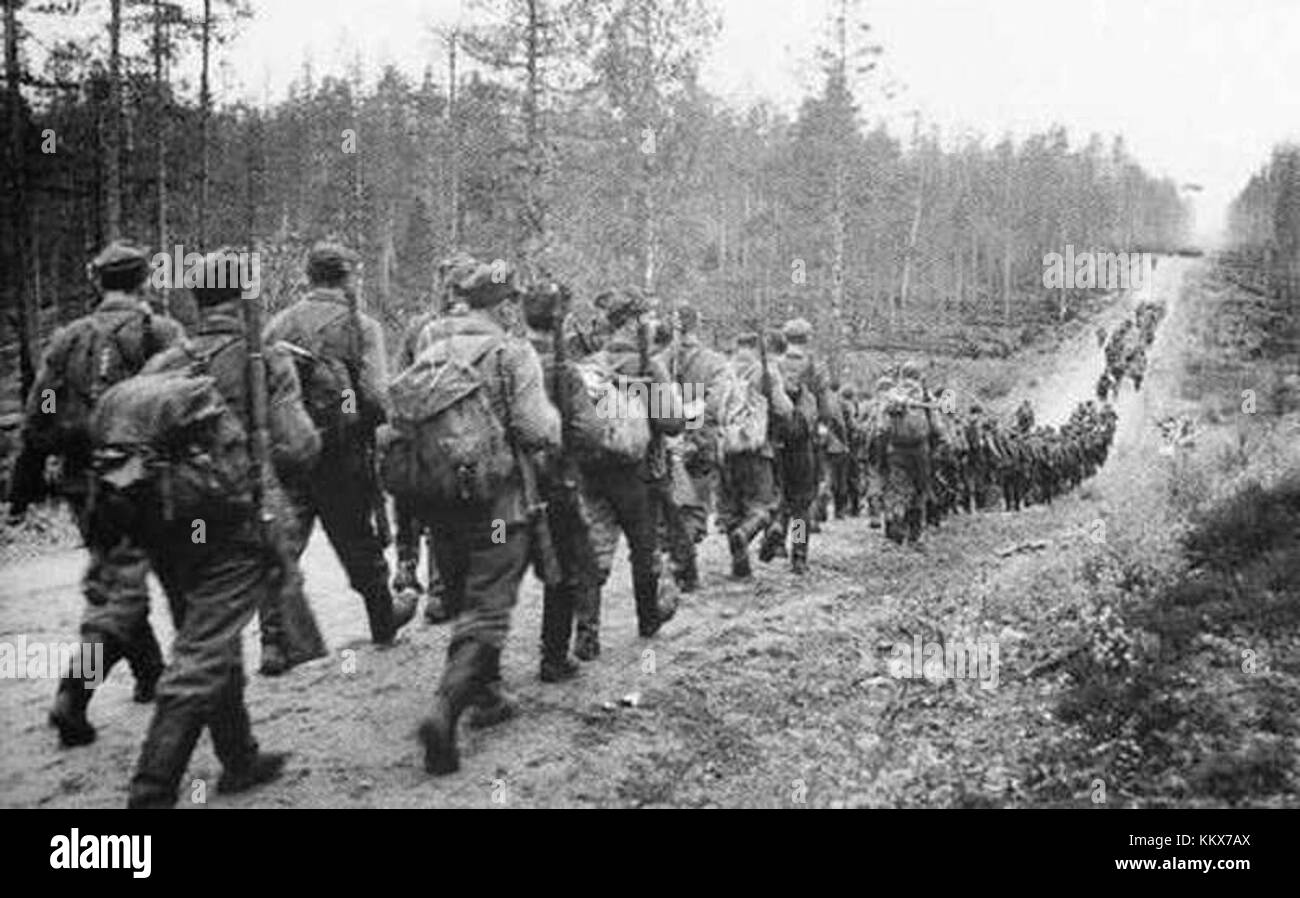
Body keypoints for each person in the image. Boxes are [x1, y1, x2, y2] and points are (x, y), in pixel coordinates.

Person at [127, 249, 321, 807]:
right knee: (204, 650)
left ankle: (239, 757)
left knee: (207, 631)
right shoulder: (263, 360)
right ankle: (150, 791)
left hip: (167, 526)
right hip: (232, 525)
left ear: (198, 300)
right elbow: (299, 445)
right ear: (243, 299)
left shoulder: (167, 361)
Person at [7, 241, 185, 747]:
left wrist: (23, 487)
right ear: (144, 282)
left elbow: (40, 410)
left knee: (117, 581)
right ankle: (74, 695)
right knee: (143, 594)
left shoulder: (67, 341)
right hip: (150, 483)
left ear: (98, 284)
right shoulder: (160, 333)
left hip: (87, 487)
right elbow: (185, 405)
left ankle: (152, 673)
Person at [415, 260, 561, 775]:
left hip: (439, 501)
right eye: (513, 302)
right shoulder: (511, 351)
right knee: (489, 605)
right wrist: (555, 422)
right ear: (503, 306)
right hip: (498, 503)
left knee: (463, 597)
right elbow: (535, 428)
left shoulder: (428, 342)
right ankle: (445, 707)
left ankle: (488, 693)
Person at [263, 242, 414, 667]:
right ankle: (383, 620)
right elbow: (374, 392)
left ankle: (274, 643)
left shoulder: (277, 325)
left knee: (283, 546)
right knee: (358, 542)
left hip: (290, 453)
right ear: (347, 278)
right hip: (342, 456)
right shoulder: (362, 327)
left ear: (309, 277)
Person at [572, 288, 682, 661]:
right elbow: (671, 423)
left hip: (592, 469)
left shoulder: (591, 364)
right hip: (640, 473)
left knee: (596, 547)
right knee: (643, 548)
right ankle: (647, 622)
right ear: (634, 321)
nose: (652, 325)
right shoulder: (649, 366)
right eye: (647, 318)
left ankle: (586, 632)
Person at [520, 281, 604, 682]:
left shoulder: (503, 357)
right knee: (566, 568)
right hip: (555, 486)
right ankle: (554, 656)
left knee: (496, 577)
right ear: (560, 319)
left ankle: (481, 676)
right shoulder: (564, 370)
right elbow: (589, 433)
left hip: (504, 490)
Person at [391, 252, 477, 625]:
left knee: (428, 503)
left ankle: (420, 575)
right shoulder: (471, 329)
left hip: (424, 429)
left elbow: (397, 381)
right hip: (451, 432)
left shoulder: (421, 328)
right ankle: (434, 586)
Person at [719, 333, 792, 578]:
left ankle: (743, 562)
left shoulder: (725, 368)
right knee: (799, 507)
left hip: (729, 445)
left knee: (734, 510)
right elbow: (788, 409)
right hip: (771, 447)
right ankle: (796, 551)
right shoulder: (775, 370)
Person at [761, 318, 828, 574]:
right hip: (803, 443)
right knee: (801, 503)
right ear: (808, 338)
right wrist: (823, 428)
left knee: (776, 493)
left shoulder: (774, 363)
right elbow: (827, 405)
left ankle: (776, 530)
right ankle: (798, 555)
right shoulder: (814, 364)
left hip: (776, 439)